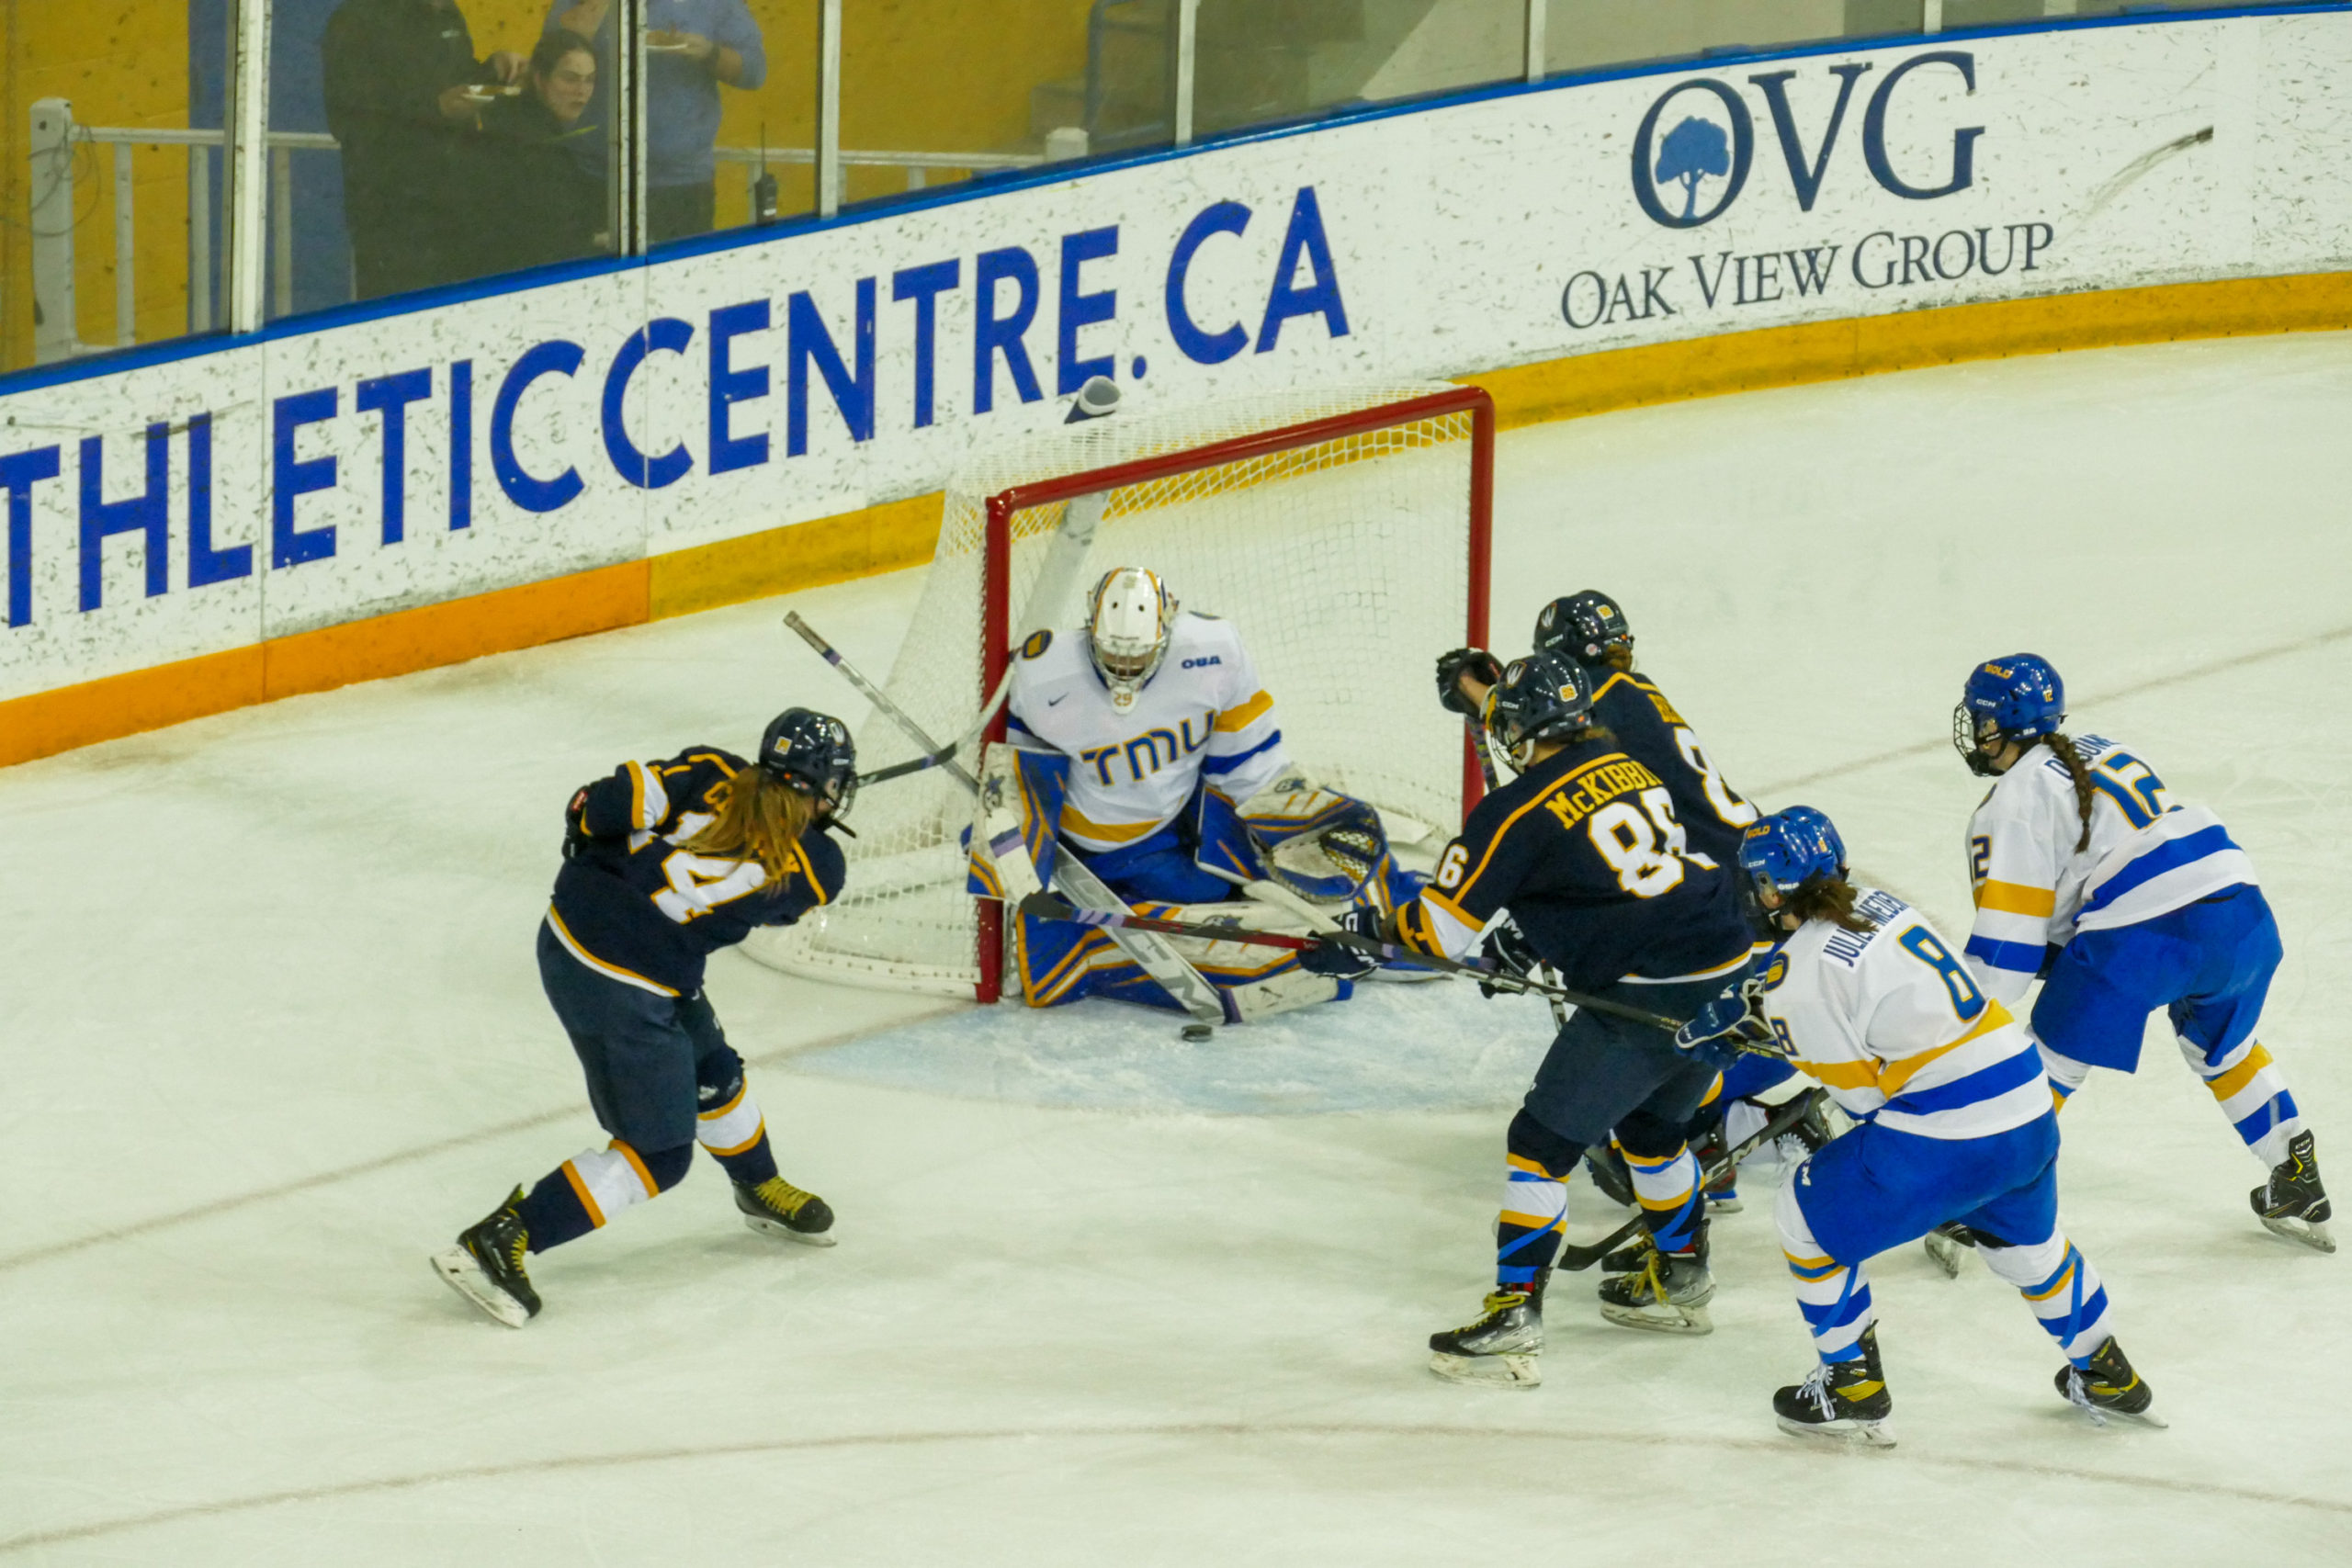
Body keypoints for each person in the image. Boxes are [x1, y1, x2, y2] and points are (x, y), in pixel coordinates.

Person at [1304, 650, 1755, 1385]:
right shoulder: (1625, 762)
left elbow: (1442, 936)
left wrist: (1369, 936)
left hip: (1645, 991)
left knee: (1540, 1142)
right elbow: (1591, 877)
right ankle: (1681, 1277)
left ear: (1519, 731)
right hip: (1727, 972)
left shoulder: (1512, 813)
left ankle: (1515, 1314)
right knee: (1651, 1130)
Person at [1675, 806, 2158, 1443]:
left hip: (1951, 1129)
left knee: (1804, 1217)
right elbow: (1853, 985)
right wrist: (1767, 1010)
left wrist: (1767, 1032)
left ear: (1770, 889)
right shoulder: (1876, 902)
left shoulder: (1799, 978)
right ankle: (2105, 1369)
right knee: (2029, 1247)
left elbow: (1864, 1100)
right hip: (2026, 1102)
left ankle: (1851, 1386)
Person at [432, 710, 854, 1327]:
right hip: (618, 985)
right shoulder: (820, 865)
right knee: (660, 1153)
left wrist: (587, 827)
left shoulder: (711, 769)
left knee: (710, 1066)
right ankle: (500, 1241)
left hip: (585, 936)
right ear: (821, 789)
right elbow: (771, 906)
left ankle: (759, 1185)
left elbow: (600, 805)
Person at [1953, 654, 2330, 1251]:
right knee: (2222, 1048)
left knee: (2050, 1058)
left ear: (2002, 725)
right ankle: (2295, 1167)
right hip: (2240, 907)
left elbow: (2007, 953)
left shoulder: (2013, 799)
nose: (1976, 730)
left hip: (2147, 929)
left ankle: (1979, 1194)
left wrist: (1953, 1027)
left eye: (1981, 718)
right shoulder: (2099, 747)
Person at [1439, 590, 1795, 1214]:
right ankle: (1709, 1139)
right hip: (1744, 882)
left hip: (1720, 905)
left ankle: (1717, 1141)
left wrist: (1479, 691)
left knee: (1652, 1059)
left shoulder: (1592, 715)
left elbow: (1537, 737)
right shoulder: (1631, 692)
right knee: (1674, 1048)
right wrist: (1487, 688)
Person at [977, 567, 1420, 1019]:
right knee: (1206, 893)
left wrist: (1289, 819)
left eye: (1138, 656)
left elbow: (1247, 761)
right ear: (1089, 628)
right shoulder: (1044, 673)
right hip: (1106, 847)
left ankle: (1407, 922)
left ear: (1167, 627)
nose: (1125, 670)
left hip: (1196, 811)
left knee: (1339, 838)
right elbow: (1022, 782)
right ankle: (1104, 935)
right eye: (1112, 655)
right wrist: (1023, 856)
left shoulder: (1215, 649)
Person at [322, 0, 524, 299]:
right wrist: (435, 109)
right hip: (393, 213)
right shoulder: (355, 20)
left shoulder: (448, 14)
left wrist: (493, 71)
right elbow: (351, 121)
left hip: (458, 205)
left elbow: (457, 86)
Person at [547, 0, 766, 243]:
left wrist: (709, 52)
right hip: (589, 174)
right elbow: (546, 62)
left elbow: (754, 72)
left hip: (682, 182)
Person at [463, 28, 606, 276]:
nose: (582, 91)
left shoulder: (518, 118)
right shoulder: (530, 142)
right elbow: (547, 237)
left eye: (590, 79)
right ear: (540, 79)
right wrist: (595, 240)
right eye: (570, 78)